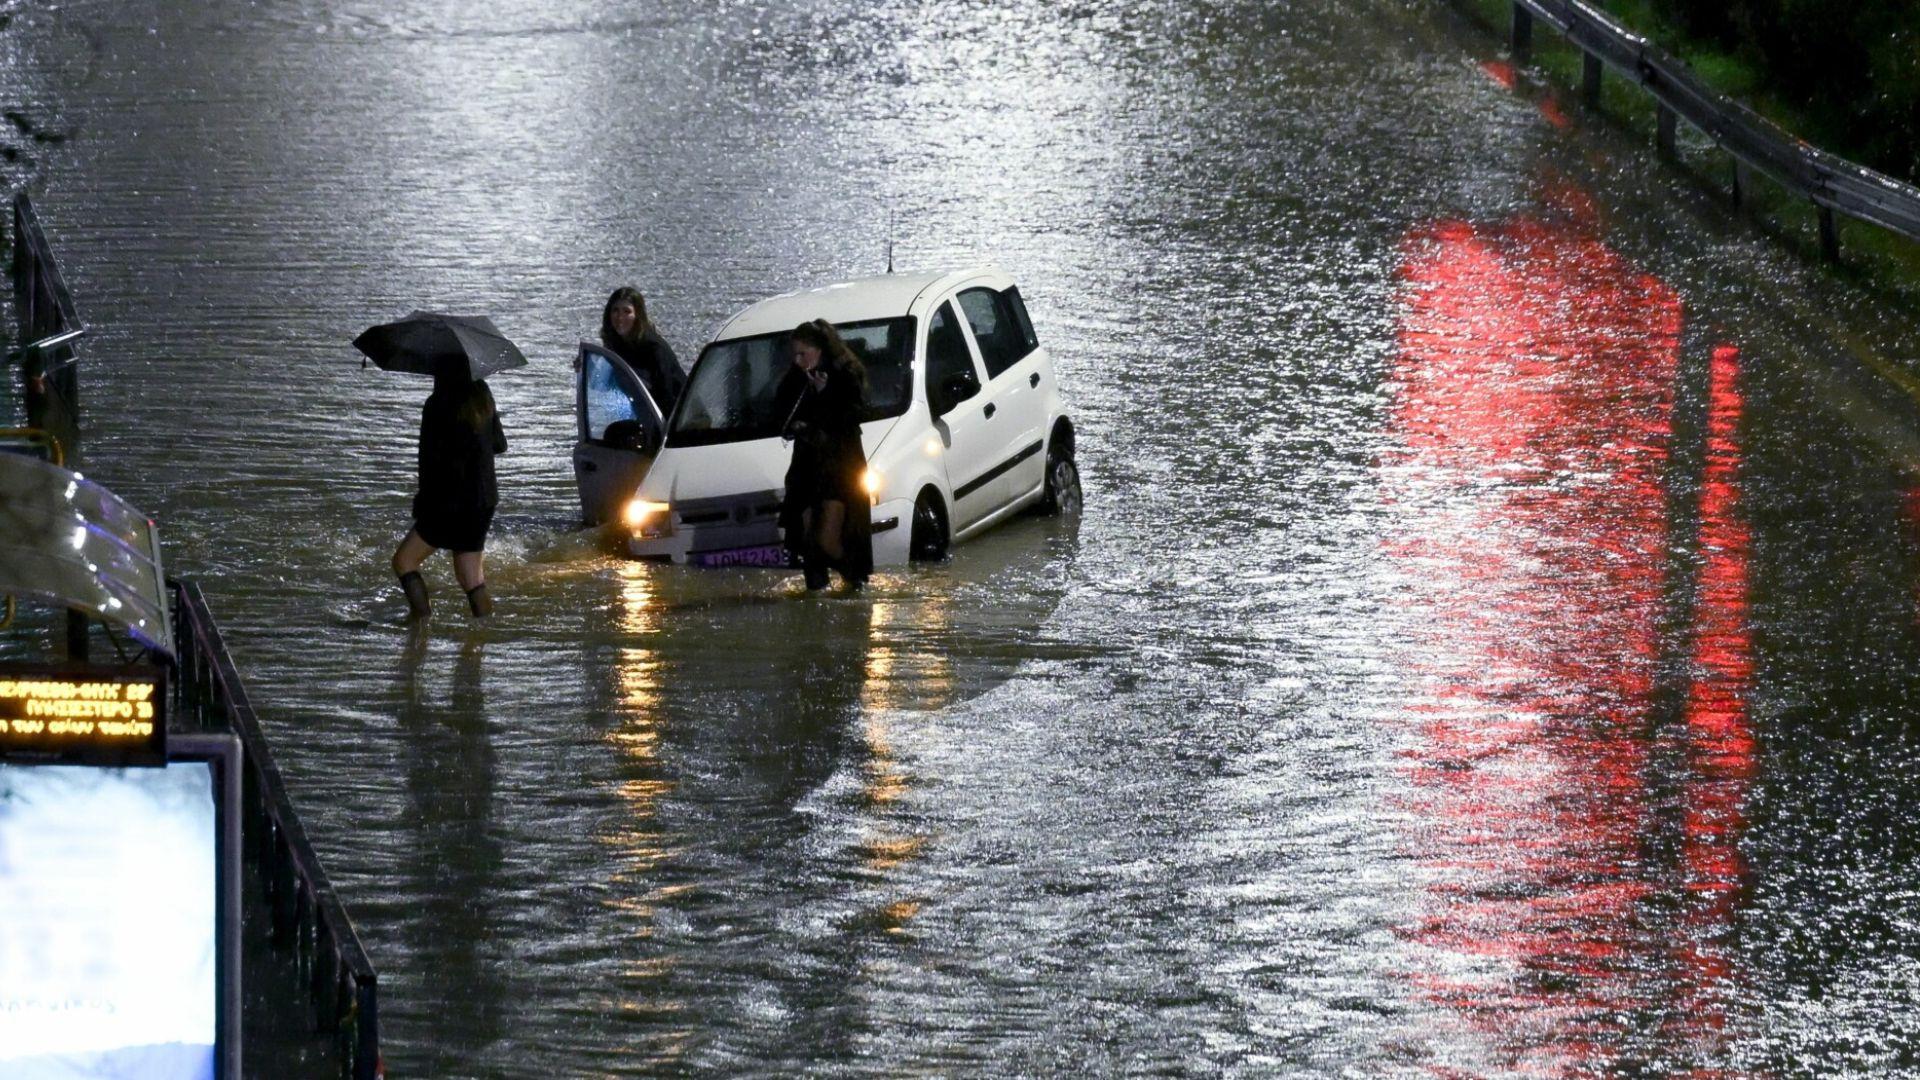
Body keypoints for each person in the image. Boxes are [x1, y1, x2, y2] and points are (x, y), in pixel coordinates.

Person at [393, 365, 509, 620]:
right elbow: (500, 445)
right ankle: (482, 636)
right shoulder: (483, 395)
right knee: (470, 576)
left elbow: (428, 461)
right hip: (483, 501)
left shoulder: (437, 403)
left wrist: (423, 506)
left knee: (404, 561)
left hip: (450, 502)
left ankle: (419, 624)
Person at [777, 319, 872, 590]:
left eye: (802, 354)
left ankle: (855, 578)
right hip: (807, 465)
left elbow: (854, 414)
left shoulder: (845, 374)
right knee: (807, 539)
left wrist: (824, 392)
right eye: (794, 354)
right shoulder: (796, 378)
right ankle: (817, 592)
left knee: (827, 539)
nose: (797, 360)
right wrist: (793, 424)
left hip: (839, 466)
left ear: (819, 349)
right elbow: (779, 409)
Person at [600, 286, 686, 416]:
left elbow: (666, 394)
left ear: (638, 315)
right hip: (649, 412)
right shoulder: (616, 344)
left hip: (683, 417)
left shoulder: (654, 348)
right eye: (615, 311)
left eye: (627, 312)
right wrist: (585, 365)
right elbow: (603, 378)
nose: (620, 318)